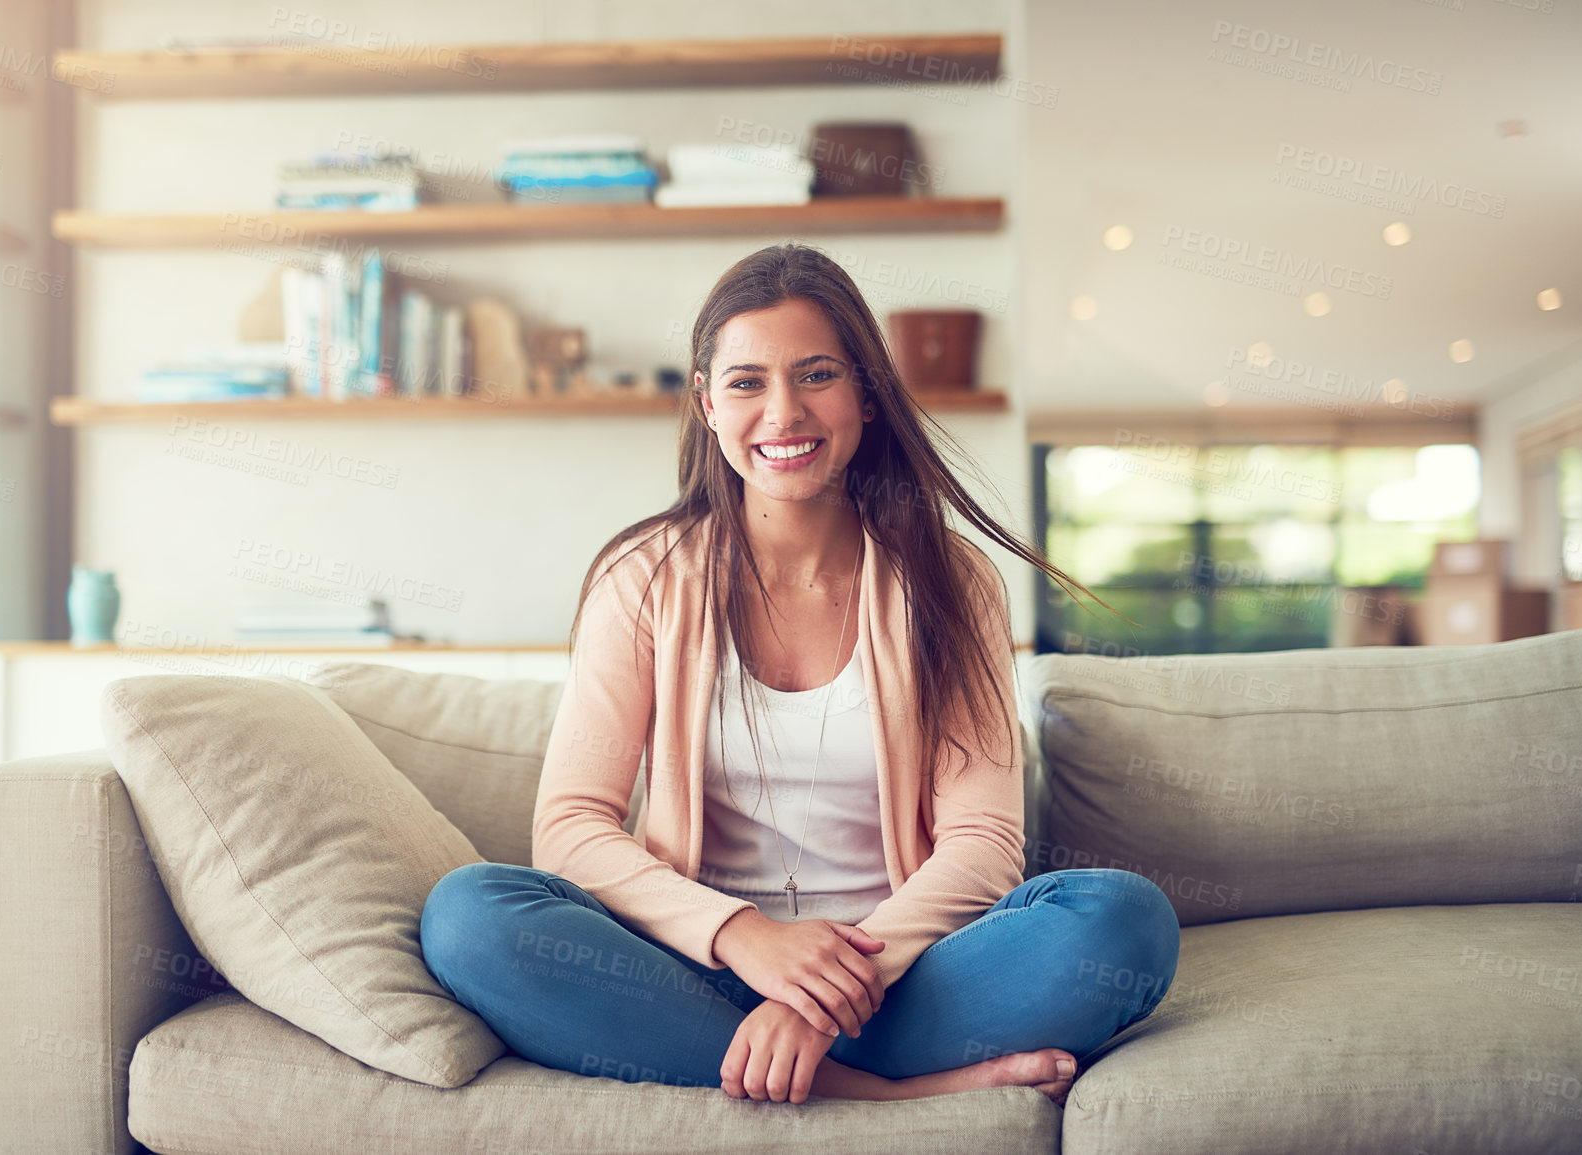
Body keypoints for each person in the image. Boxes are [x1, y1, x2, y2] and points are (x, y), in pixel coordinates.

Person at [420, 243, 1179, 1107]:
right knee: (468, 915)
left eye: (815, 374)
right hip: (695, 972)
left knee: (1122, 921)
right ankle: (876, 1090)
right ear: (707, 403)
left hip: (898, 980)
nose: (783, 412)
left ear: (864, 392)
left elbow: (981, 842)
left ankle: (790, 1059)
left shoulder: (948, 579)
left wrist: (823, 995)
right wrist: (744, 938)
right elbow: (569, 825)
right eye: (746, 383)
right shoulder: (641, 579)